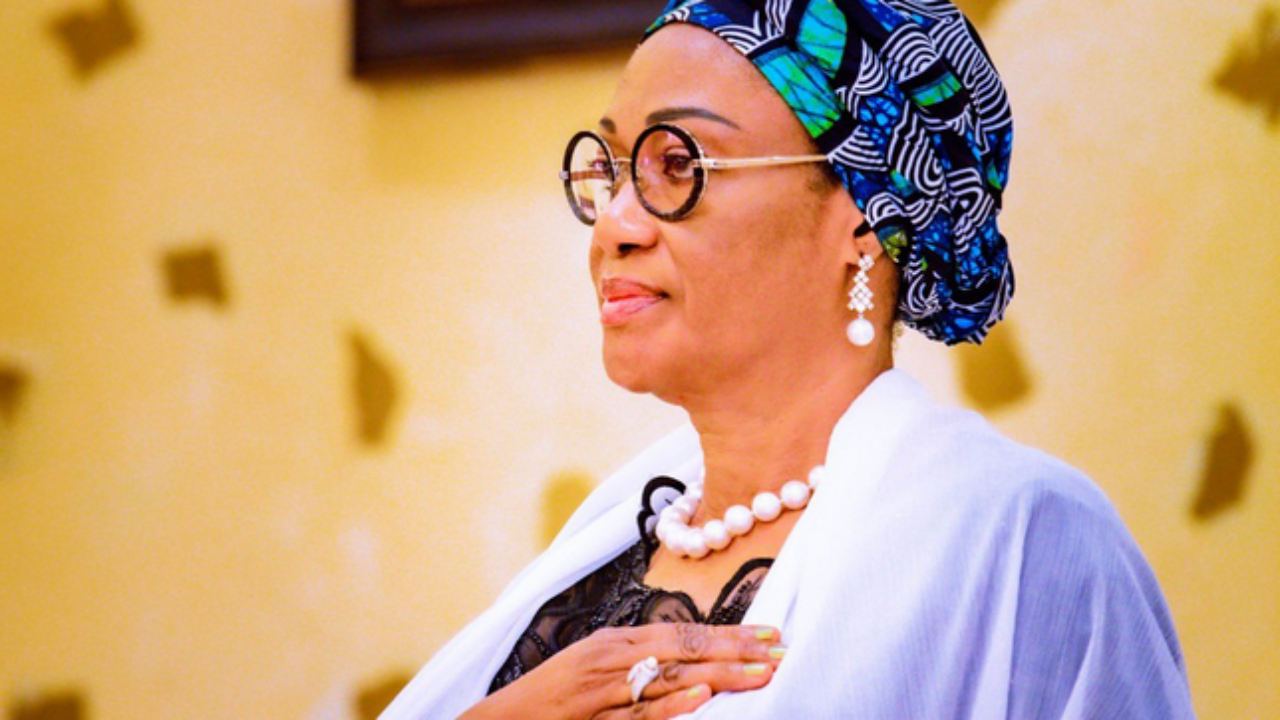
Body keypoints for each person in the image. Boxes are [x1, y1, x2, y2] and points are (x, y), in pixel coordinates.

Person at [382, 0, 1196, 717]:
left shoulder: (1015, 538)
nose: (615, 225)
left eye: (678, 165)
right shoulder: (607, 534)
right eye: (613, 169)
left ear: (864, 220)